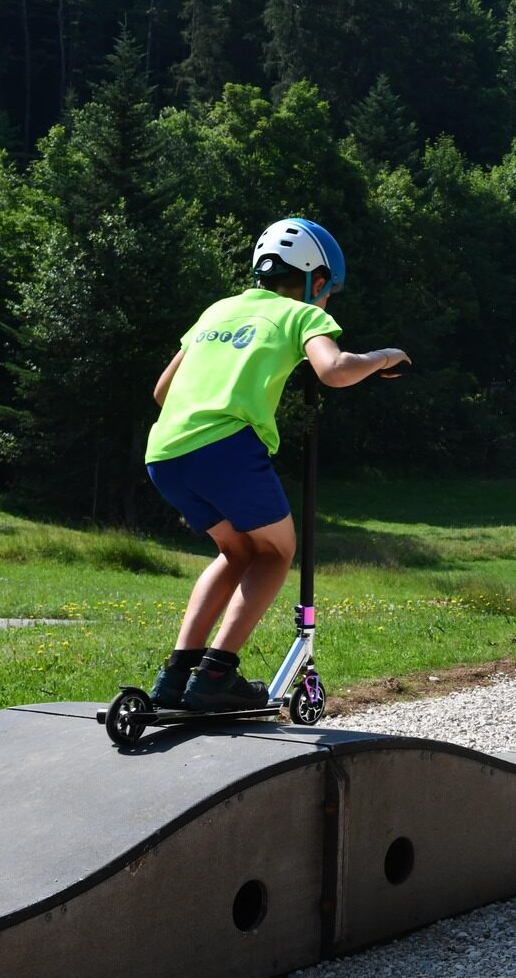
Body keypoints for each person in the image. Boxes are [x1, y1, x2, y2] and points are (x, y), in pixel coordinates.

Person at [144, 217, 410, 712]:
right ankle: (216, 676)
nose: (327, 301)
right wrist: (382, 357)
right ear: (315, 281)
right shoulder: (301, 316)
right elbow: (333, 370)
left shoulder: (217, 311)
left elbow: (162, 392)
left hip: (165, 453)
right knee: (275, 553)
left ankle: (175, 675)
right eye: (329, 291)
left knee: (235, 553)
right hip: (226, 449)